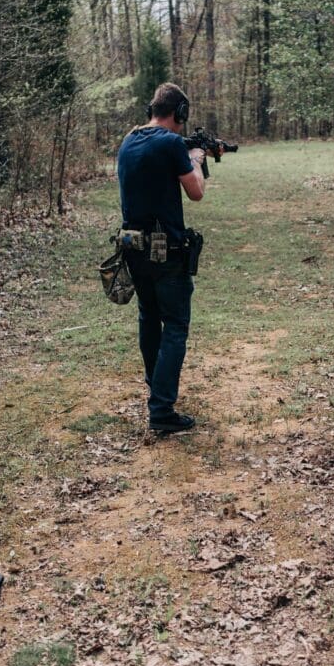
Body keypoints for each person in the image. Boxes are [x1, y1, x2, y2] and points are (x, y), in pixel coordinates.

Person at [117, 82, 207, 434]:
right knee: (176, 326)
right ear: (179, 113)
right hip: (165, 250)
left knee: (149, 318)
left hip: (132, 247)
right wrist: (196, 159)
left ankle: (156, 391)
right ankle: (162, 410)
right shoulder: (172, 144)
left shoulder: (129, 139)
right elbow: (196, 192)